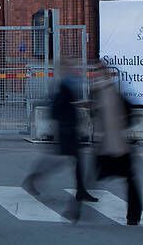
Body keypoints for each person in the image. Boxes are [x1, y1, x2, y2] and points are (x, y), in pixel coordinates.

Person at [23, 56, 94, 219]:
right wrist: (76, 108)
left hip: (69, 128)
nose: (74, 68)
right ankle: (34, 177)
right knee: (62, 160)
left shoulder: (67, 84)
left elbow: (63, 106)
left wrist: (78, 105)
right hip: (66, 129)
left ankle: (80, 190)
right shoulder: (63, 85)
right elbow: (57, 108)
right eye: (70, 66)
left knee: (72, 160)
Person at [89, 60, 142, 225]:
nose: (95, 75)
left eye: (97, 71)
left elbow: (125, 113)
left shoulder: (109, 91)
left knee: (128, 180)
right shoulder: (98, 90)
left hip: (116, 146)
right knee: (126, 180)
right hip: (108, 145)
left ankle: (133, 215)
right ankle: (133, 215)